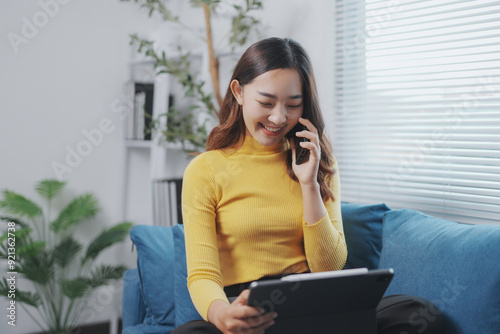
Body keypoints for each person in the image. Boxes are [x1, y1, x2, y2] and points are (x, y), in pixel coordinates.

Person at [173, 37, 445, 334]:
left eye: (293, 104)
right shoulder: (205, 170)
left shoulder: (319, 162)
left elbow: (328, 268)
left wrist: (309, 184)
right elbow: (202, 273)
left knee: (419, 314)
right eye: (266, 102)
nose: (278, 118)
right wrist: (222, 314)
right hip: (246, 308)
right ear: (238, 92)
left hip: (312, 304)